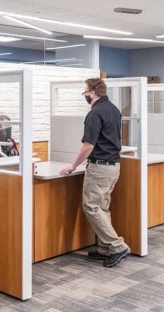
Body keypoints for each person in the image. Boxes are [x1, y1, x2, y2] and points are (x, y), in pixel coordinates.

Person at [60, 78, 130, 268]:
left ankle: (117, 246)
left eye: (85, 92)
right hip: (114, 166)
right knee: (102, 207)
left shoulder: (95, 113)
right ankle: (105, 248)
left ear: (92, 93)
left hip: (100, 167)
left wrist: (73, 165)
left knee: (91, 207)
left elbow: (88, 145)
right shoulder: (114, 109)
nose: (85, 95)